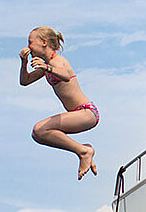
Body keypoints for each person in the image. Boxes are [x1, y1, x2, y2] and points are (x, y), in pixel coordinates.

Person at [19, 26, 99, 179]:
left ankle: (84, 152)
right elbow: (25, 81)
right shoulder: (47, 65)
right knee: (38, 134)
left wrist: (47, 67)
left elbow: (66, 76)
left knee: (40, 129)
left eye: (30, 43)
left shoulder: (58, 61)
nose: (28, 47)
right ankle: (84, 150)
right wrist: (24, 63)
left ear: (43, 42)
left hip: (86, 112)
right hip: (77, 114)